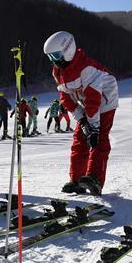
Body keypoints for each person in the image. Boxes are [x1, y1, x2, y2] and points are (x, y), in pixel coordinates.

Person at [43, 31, 119, 195]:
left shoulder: (87, 68)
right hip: (85, 103)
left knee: (98, 139)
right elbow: (65, 97)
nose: (54, 61)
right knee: (79, 139)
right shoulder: (58, 72)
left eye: (56, 56)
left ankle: (95, 179)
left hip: (105, 101)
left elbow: (93, 99)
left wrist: (94, 126)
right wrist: (82, 121)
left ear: (67, 50)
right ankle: (76, 180)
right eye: (50, 57)